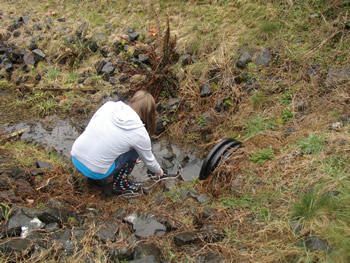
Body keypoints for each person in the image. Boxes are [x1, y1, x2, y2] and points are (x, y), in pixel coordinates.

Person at [70, 90, 164, 194]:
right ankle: (120, 183)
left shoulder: (109, 106)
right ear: (149, 113)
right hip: (97, 172)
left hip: (76, 157)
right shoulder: (139, 133)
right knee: (134, 151)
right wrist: (159, 171)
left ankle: (93, 177)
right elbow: (149, 160)